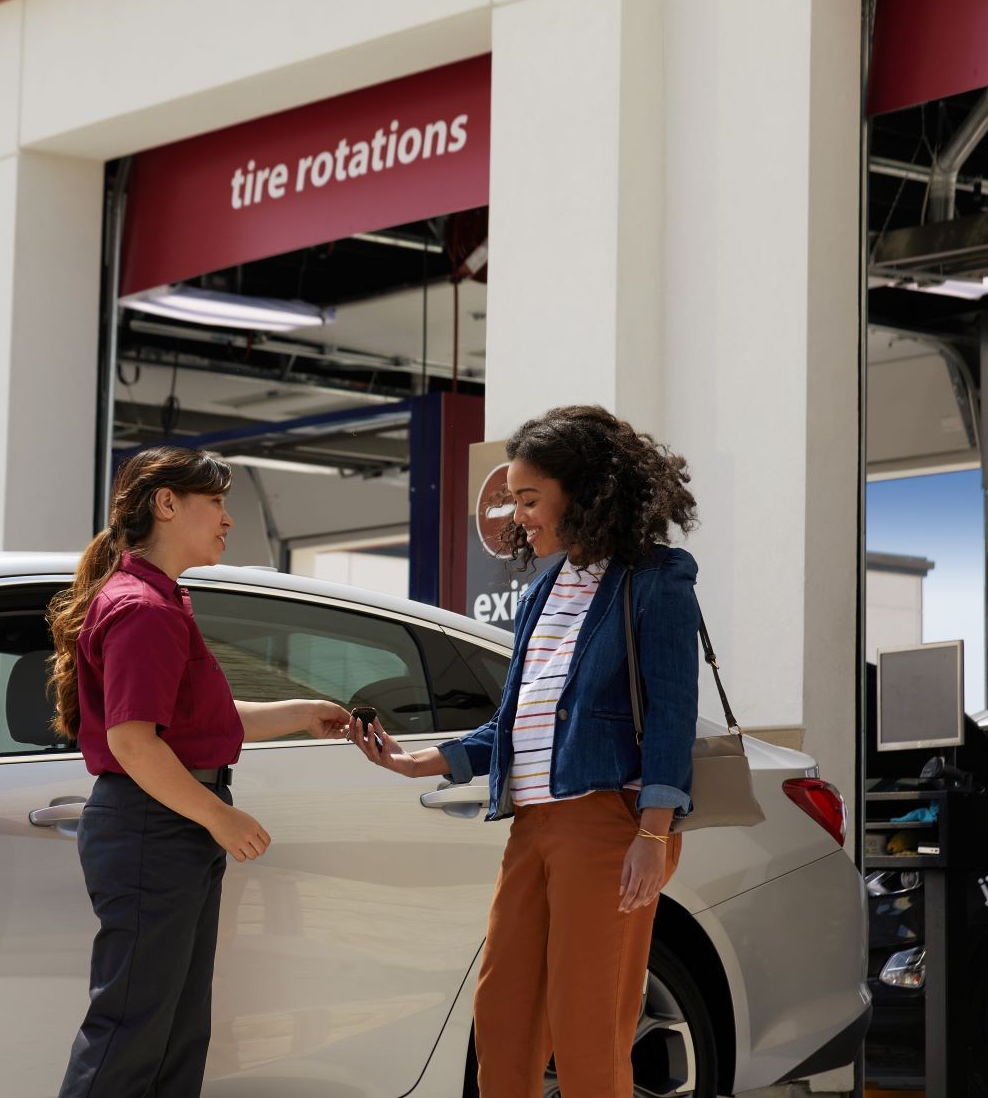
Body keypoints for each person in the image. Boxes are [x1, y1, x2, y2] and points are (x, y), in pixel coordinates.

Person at [348, 405, 702, 1096]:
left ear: (585, 491)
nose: (518, 516)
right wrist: (429, 760)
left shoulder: (655, 579)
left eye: (530, 499)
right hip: (532, 825)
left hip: (606, 822)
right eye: (513, 499)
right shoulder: (544, 584)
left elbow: (670, 715)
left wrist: (651, 834)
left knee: (587, 1023)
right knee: (502, 1014)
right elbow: (520, 717)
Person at [49, 445, 351, 1098]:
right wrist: (219, 815)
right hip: (153, 828)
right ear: (166, 504)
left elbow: (196, 722)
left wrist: (299, 712)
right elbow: (133, 742)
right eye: (214, 502)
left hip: (163, 828)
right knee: (134, 1033)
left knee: (171, 1035)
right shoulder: (143, 609)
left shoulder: (158, 601)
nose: (227, 520)